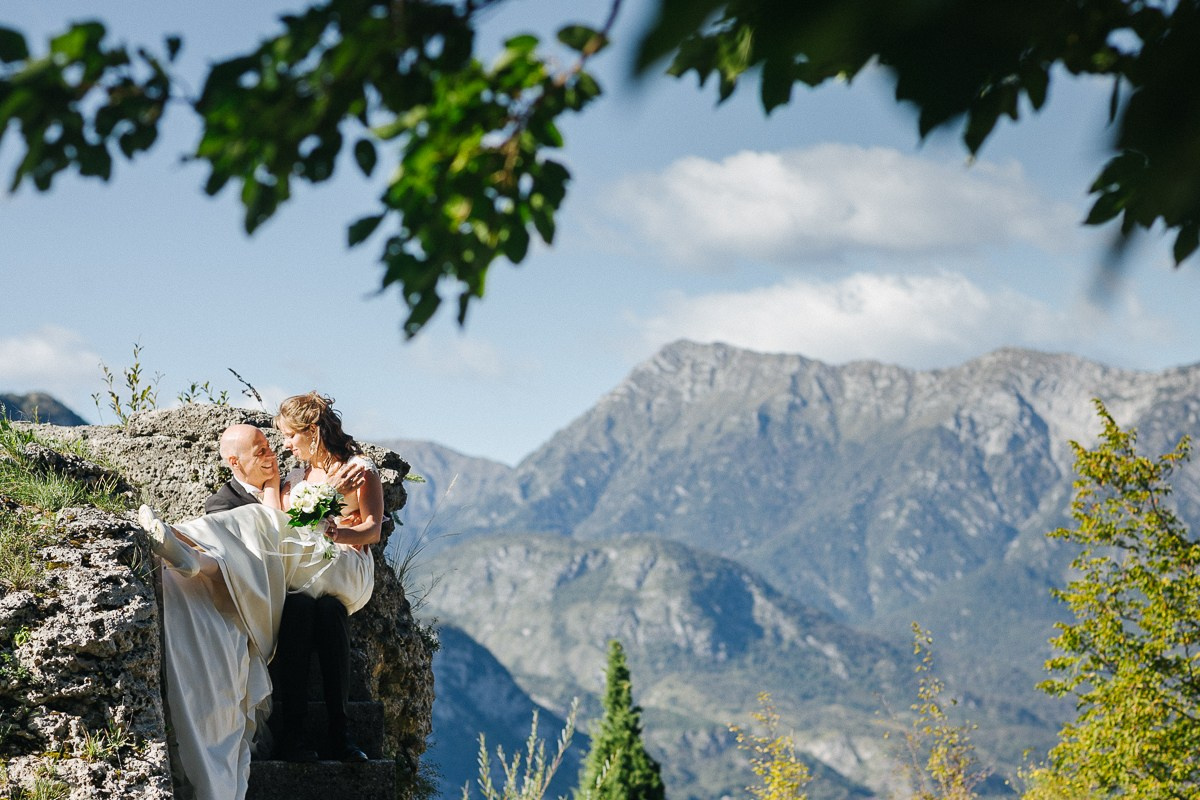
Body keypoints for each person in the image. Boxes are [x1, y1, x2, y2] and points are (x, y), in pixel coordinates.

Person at [139, 395, 383, 800]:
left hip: (343, 564)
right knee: (305, 602)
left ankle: (194, 550)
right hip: (303, 569)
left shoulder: (358, 469)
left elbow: (371, 530)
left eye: (287, 436)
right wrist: (279, 490)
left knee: (265, 535)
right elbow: (286, 528)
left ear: (313, 432)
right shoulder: (292, 479)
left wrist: (336, 529)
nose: (283, 445)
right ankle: (303, 733)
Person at [204, 422, 371, 763]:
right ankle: (293, 734)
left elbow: (302, 533)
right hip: (263, 595)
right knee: (299, 609)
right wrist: (329, 498)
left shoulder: (282, 485)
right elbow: (278, 536)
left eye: (270, 446)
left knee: (329, 610)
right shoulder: (222, 505)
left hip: (307, 583)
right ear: (236, 463)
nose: (272, 454)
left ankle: (341, 733)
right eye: (261, 451)